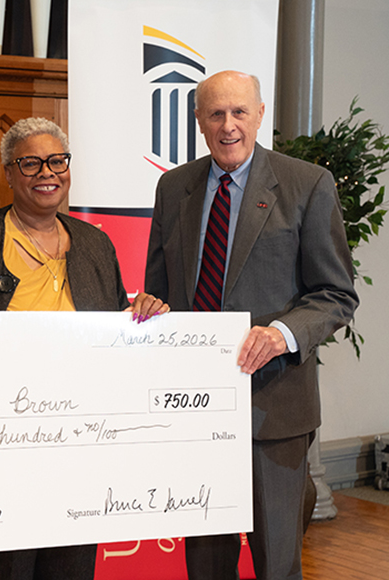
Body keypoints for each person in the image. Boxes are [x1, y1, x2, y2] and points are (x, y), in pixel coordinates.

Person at [144, 70, 359, 580]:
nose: (228, 125)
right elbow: (160, 287)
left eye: (239, 111)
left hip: (274, 408)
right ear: (198, 121)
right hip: (194, 411)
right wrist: (152, 309)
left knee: (277, 562)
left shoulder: (308, 184)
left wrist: (281, 333)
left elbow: (336, 294)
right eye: (215, 113)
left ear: (260, 114)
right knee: (206, 562)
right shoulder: (174, 187)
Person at [0, 117, 167, 580]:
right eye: (30, 163)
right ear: (8, 173)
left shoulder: (94, 244)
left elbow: (114, 336)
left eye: (57, 161)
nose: (46, 173)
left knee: (68, 560)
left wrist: (142, 315)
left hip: (77, 442)